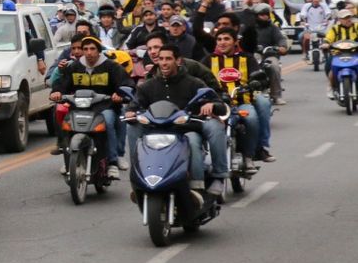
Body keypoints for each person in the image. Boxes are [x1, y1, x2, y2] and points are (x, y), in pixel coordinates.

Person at [128, 43, 230, 202]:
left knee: (194, 141)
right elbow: (135, 104)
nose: (164, 63)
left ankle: (200, 185)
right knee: (132, 126)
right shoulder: (148, 86)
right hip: (157, 131)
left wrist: (211, 105)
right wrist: (131, 111)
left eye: (168, 59)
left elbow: (219, 105)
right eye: (161, 59)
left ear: (178, 61)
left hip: (187, 130)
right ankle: (138, 181)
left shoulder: (194, 83)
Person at [49, 35, 129, 174]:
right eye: (85, 49)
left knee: (108, 122)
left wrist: (119, 94)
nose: (89, 52)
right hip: (78, 108)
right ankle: (68, 162)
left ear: (99, 51)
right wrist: (56, 92)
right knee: (67, 125)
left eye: (92, 49)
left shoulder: (111, 66)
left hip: (105, 107)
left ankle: (112, 162)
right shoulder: (74, 66)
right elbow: (61, 84)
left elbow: (125, 84)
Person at [207, 26, 268, 174]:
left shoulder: (247, 58)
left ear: (235, 42)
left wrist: (256, 83)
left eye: (226, 39)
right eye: (219, 39)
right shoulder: (209, 59)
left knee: (252, 118)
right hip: (217, 104)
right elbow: (197, 79)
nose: (222, 42)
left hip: (241, 103)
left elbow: (260, 77)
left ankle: (248, 156)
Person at [324, 8, 358, 99]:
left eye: (349, 17)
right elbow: (328, 39)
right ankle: (330, 87)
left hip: (355, 53)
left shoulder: (356, 26)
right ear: (339, 20)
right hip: (338, 54)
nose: (348, 20)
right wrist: (326, 44)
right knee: (329, 67)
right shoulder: (335, 29)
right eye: (345, 18)